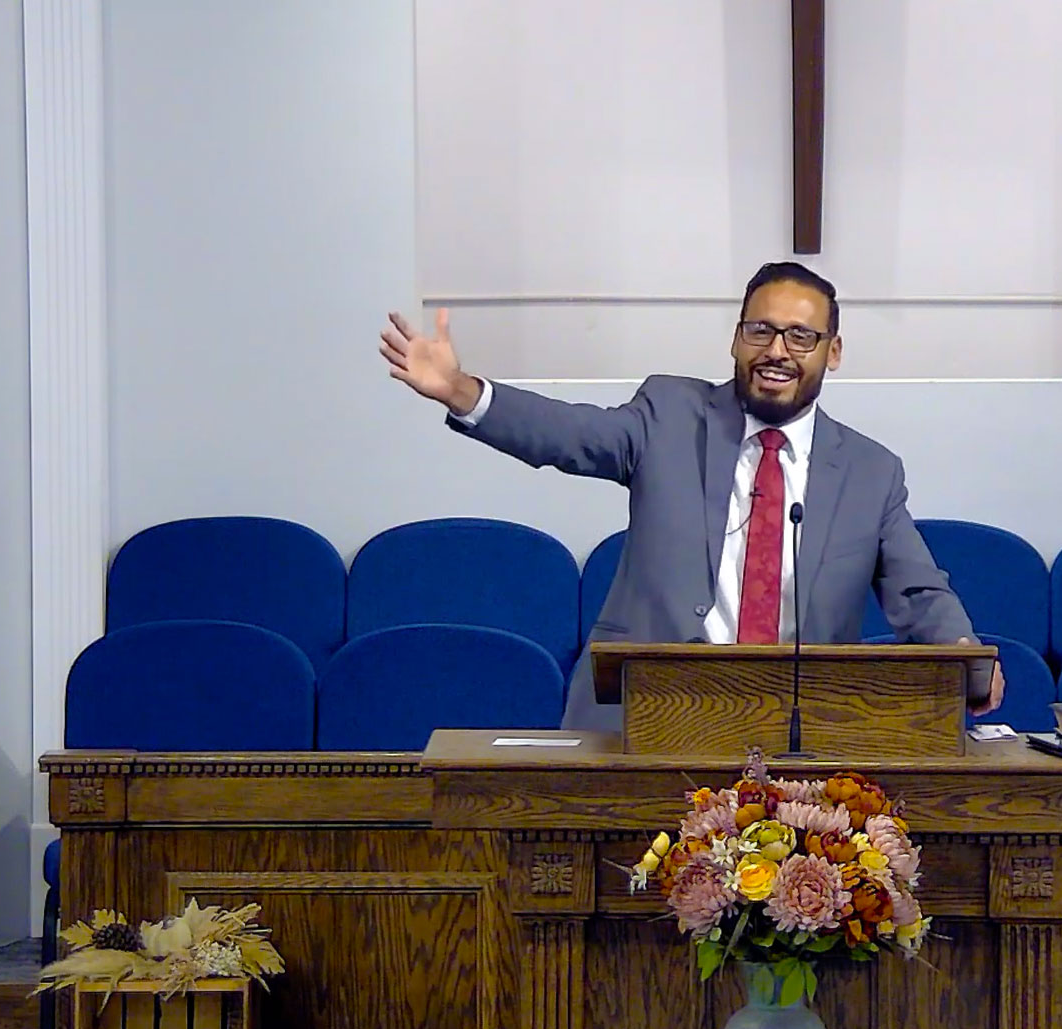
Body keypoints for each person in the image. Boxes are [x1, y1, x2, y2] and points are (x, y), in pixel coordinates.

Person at [377, 261, 1004, 730]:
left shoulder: (871, 471)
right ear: (735, 339)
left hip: (794, 730)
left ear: (832, 352)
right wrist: (462, 390)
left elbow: (918, 591)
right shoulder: (669, 414)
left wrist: (965, 654)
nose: (776, 351)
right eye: (760, 330)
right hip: (644, 715)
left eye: (800, 336)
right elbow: (571, 435)